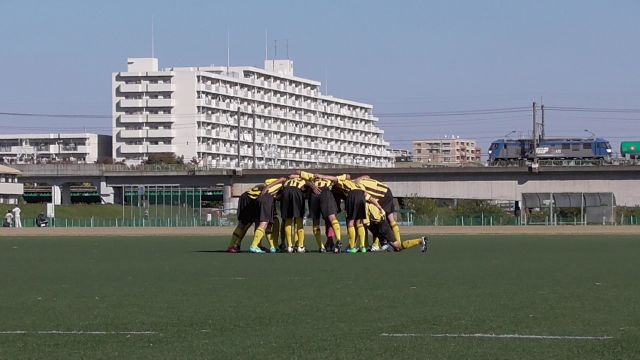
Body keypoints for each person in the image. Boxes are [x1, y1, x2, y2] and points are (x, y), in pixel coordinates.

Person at [315, 173, 385, 253]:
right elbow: (369, 197)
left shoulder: (343, 183)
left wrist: (322, 176)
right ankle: (362, 246)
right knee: (358, 223)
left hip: (347, 198)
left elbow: (340, 178)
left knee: (341, 222)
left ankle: (343, 244)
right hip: (360, 197)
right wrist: (380, 207)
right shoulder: (359, 185)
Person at [300, 171, 342, 253]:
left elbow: (340, 178)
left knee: (319, 221)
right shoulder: (315, 178)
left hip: (318, 194)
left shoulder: (320, 178)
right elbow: (336, 179)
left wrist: (321, 177)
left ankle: (323, 246)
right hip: (325, 194)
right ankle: (337, 241)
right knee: (331, 219)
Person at [354, 176, 399, 250]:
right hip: (386, 191)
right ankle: (394, 242)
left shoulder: (355, 187)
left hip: (383, 195)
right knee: (390, 219)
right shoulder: (357, 181)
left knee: (375, 220)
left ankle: (377, 244)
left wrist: (379, 207)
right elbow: (367, 176)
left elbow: (369, 197)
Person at [364, 203, 429, 253]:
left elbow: (368, 224)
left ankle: (420, 240)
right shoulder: (375, 201)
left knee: (398, 246)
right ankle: (379, 245)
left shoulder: (366, 205)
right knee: (397, 247)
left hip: (384, 226)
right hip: (385, 225)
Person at [277, 173, 311, 253]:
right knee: (299, 218)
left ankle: (289, 246)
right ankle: (300, 246)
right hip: (296, 191)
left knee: (288, 219)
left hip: (285, 192)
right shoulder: (303, 179)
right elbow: (308, 185)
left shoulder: (287, 180)